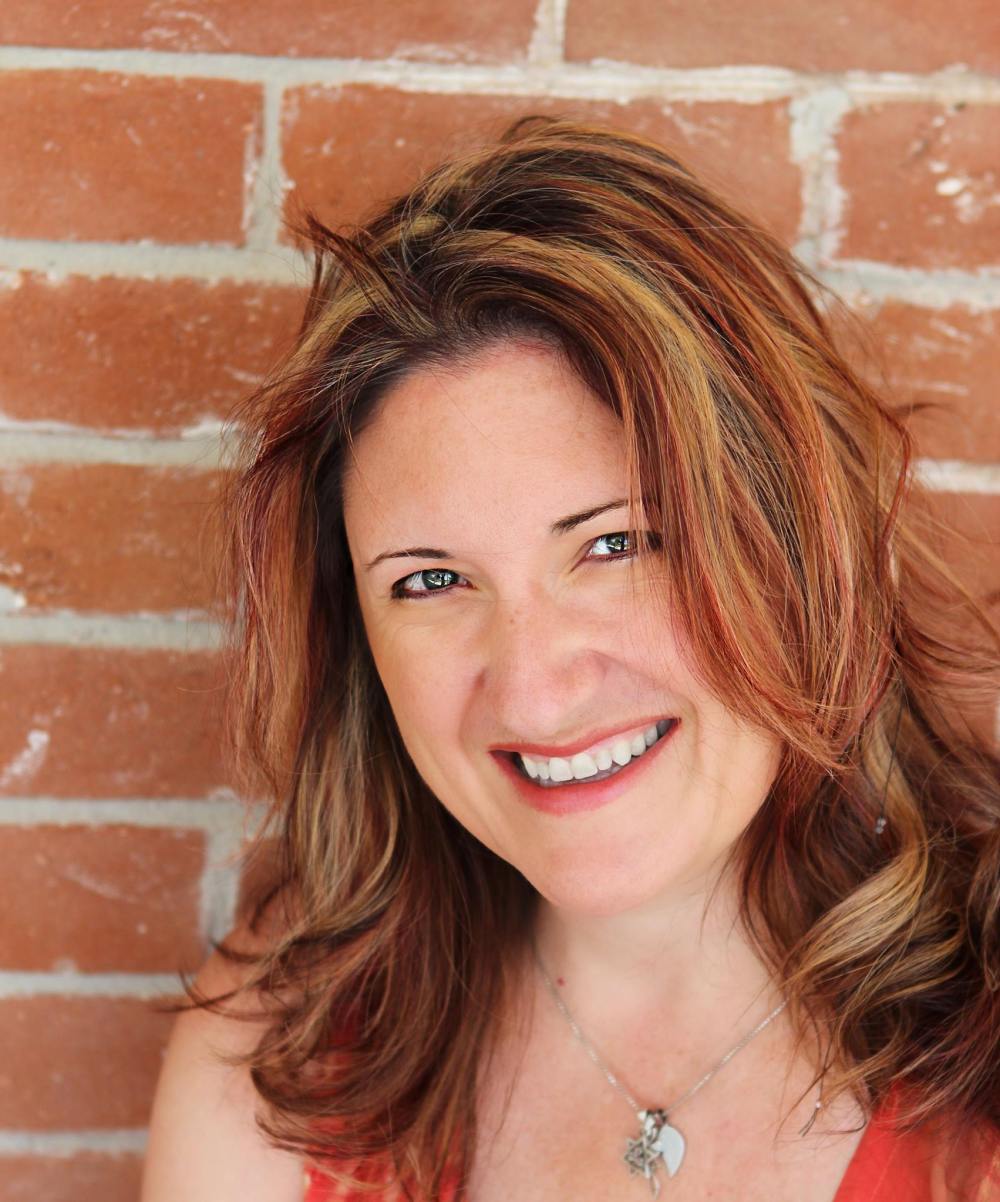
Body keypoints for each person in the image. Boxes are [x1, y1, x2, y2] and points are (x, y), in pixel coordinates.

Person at [140, 116, 1000, 1201]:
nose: (536, 686)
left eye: (615, 544)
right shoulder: (284, 1052)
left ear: (791, 546)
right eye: (431, 580)